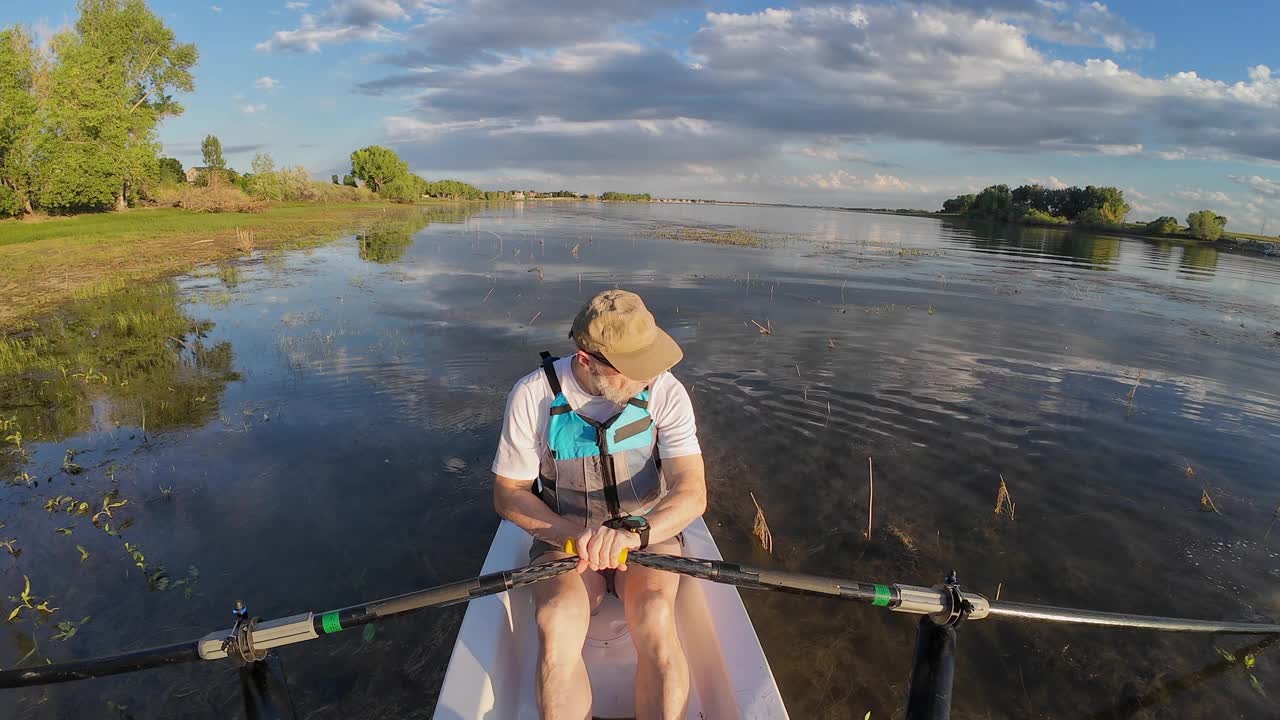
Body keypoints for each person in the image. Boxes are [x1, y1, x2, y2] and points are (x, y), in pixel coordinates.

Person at [492, 289, 707, 720]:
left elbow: (692, 491)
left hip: (646, 536)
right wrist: (577, 537)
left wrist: (634, 532)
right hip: (566, 539)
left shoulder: (665, 390)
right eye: (635, 370)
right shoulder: (532, 395)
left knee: (655, 613)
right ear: (587, 360)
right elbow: (508, 493)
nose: (649, 378)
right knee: (554, 620)